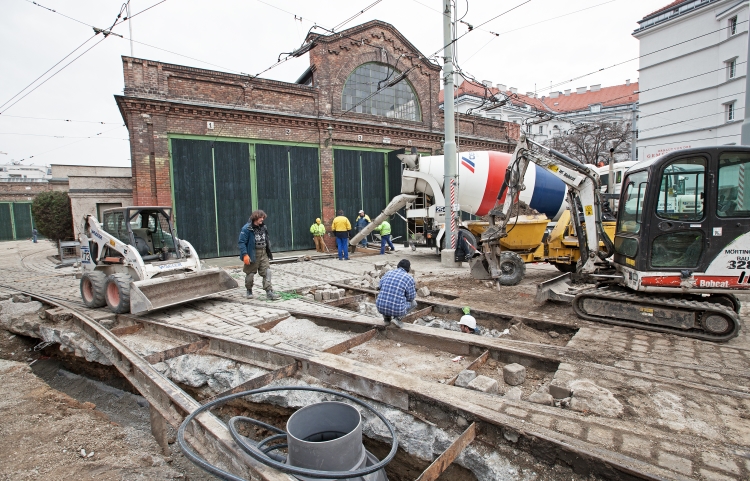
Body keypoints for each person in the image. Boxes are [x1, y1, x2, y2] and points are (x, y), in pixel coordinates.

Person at [238, 210, 281, 300]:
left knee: (267, 272)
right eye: (261, 217)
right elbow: (241, 242)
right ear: (255, 217)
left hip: (263, 252)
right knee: (250, 274)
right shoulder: (246, 228)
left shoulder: (263, 227)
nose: (262, 219)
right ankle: (249, 290)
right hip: (252, 253)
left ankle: (269, 292)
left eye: (263, 218)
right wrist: (245, 255)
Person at [376, 259, 416, 328]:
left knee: (385, 297)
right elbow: (411, 297)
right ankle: (397, 319)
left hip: (380, 307)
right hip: (397, 309)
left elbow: (379, 287)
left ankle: (387, 319)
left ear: (398, 266)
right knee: (414, 303)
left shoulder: (388, 273)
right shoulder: (409, 278)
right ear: (408, 269)